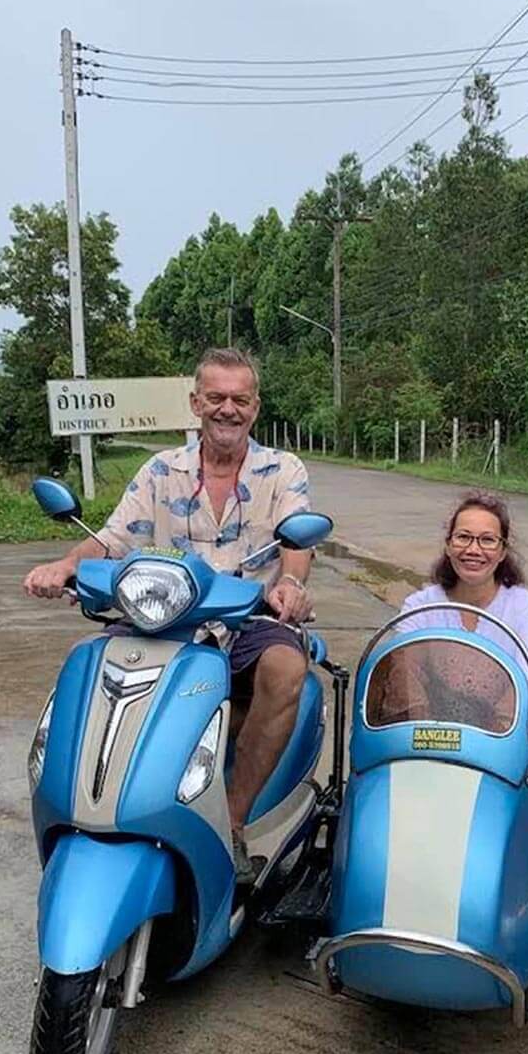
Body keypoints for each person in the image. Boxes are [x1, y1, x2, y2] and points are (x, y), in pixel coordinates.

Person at [23, 347, 314, 884]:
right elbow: (111, 540)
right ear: (195, 402)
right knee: (88, 666)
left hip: (249, 621)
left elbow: (298, 540)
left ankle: (232, 819)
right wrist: (64, 565)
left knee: (287, 670)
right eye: (216, 398)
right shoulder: (161, 470)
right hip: (159, 622)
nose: (228, 409)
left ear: (255, 407)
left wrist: (291, 583)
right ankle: (93, 803)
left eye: (240, 400)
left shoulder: (282, 469)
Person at [393, 490, 528, 780]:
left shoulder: (526, 607)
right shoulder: (419, 606)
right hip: (427, 739)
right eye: (463, 537)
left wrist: (497, 737)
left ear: (503, 551)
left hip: (503, 741)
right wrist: (428, 739)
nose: (473, 550)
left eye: (487, 540)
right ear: (449, 546)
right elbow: (402, 675)